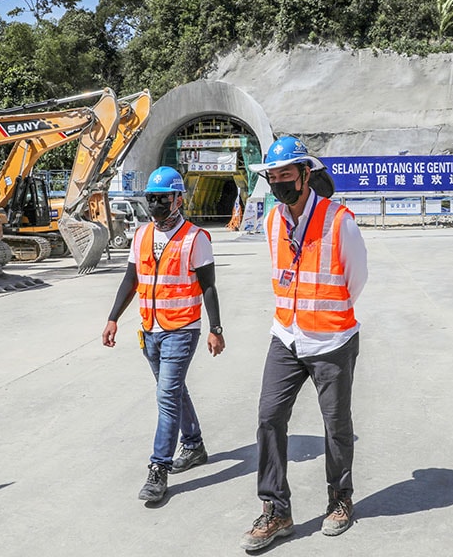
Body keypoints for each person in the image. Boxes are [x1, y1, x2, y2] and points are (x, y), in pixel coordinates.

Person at [239, 136, 368, 551]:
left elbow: (355, 279)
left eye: (286, 176)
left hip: (331, 338)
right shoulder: (272, 221)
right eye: (272, 177)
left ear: (305, 175)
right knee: (268, 417)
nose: (279, 184)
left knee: (336, 426)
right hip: (286, 336)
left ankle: (340, 500)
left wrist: (324, 314)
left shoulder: (338, 220)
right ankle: (276, 510)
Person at [101, 166, 225, 504]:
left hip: (182, 329)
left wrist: (215, 328)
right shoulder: (141, 235)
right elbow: (131, 280)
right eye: (151, 198)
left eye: (162, 198)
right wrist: (113, 318)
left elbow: (209, 286)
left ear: (178, 200)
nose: (155, 204)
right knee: (172, 390)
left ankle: (159, 467)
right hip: (150, 330)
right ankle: (195, 444)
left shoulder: (195, 238)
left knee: (166, 397)